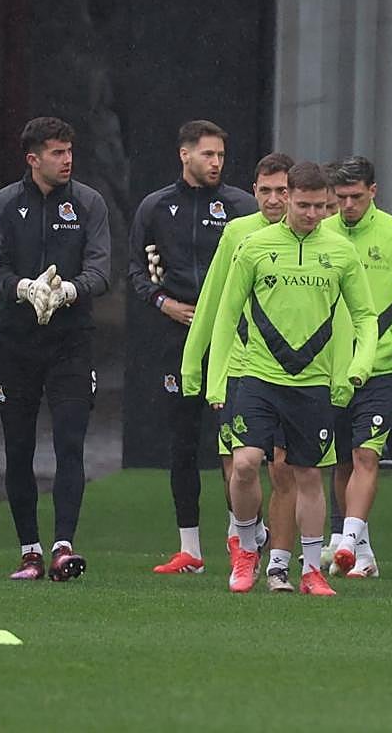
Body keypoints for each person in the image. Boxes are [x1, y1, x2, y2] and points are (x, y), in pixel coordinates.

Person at [206, 161, 378, 594]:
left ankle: (311, 570)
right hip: (257, 376)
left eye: (322, 206)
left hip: (313, 383)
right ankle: (248, 546)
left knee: (307, 476)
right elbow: (226, 315)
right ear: (287, 200)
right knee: (244, 464)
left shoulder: (340, 251)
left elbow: (366, 316)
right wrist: (215, 379)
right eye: (304, 204)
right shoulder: (256, 246)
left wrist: (359, 364)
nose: (313, 214)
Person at [181, 152, 325, 592]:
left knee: (287, 471)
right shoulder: (239, 235)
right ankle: (248, 538)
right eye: (265, 191)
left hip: (304, 374)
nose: (274, 199)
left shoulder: (323, 238)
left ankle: (279, 564)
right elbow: (214, 303)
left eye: (283, 191)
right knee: (239, 467)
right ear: (254, 191)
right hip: (245, 368)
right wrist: (197, 365)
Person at [0, 117, 111, 581]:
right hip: (14, 343)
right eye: (57, 153)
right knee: (17, 449)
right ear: (32, 158)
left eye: (70, 151)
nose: (67, 160)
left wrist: (66, 292)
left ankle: (62, 546)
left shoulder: (89, 202)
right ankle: (30, 551)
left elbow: (100, 270)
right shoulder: (3, 203)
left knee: (69, 443)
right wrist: (24, 289)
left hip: (71, 341)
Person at [129, 120, 257, 574]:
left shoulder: (243, 207)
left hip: (234, 342)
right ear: (185, 155)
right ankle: (191, 549)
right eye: (208, 154)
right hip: (177, 339)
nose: (216, 162)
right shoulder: (156, 207)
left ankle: (242, 537)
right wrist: (164, 303)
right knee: (182, 444)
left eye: (221, 155)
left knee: (234, 443)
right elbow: (136, 273)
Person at [322, 156, 392, 578]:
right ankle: (361, 553)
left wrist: (383, 350)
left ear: (373, 192)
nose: (347, 206)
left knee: (369, 454)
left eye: (356, 197)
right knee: (342, 460)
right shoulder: (323, 234)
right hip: (333, 369)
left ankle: (346, 540)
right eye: (341, 198)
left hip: (383, 367)